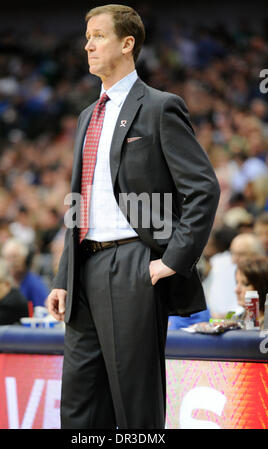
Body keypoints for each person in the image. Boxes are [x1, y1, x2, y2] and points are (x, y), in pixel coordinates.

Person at [47, 4, 220, 429]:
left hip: (132, 265)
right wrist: (62, 275)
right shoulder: (88, 114)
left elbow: (204, 188)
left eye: (99, 35)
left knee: (135, 407)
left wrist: (173, 260)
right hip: (83, 270)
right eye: (87, 36)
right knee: (79, 407)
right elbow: (80, 203)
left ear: (127, 44)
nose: (87, 44)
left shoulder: (161, 107)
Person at [1, 238, 49, 314]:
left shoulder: (34, 283)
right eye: (8, 258)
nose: (11, 262)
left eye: (15, 257)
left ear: (25, 259)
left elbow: (43, 310)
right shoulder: (2, 282)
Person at [234, 255, 268, 329]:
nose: (236, 290)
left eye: (246, 284)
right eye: (237, 283)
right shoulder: (235, 320)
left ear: (262, 288)